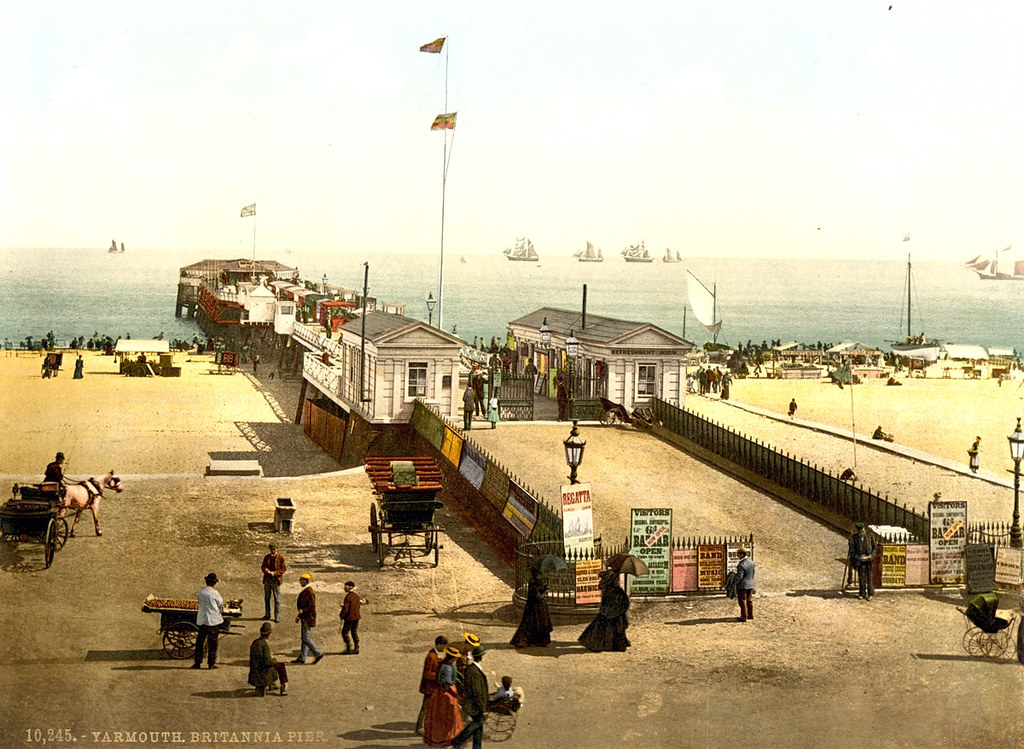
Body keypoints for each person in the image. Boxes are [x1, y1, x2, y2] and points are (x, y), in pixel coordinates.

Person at [578, 570, 631, 652]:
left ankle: (606, 645)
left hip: (613, 614)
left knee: (609, 629)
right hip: (609, 613)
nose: (601, 581)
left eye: (603, 579)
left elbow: (625, 603)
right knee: (604, 628)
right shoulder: (609, 589)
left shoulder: (616, 591)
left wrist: (617, 612)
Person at [422, 646, 464, 747]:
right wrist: (455, 694)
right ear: (452, 658)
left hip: (441, 693)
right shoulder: (447, 668)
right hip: (446, 694)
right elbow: (447, 683)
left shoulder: (446, 665)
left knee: (441, 717)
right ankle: (446, 738)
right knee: (449, 717)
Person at [451, 645, 488, 749]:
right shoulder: (474, 671)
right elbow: (477, 692)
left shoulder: (472, 669)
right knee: (478, 722)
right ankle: (457, 741)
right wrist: (483, 708)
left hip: (473, 703)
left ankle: (477, 747)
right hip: (475, 705)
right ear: (481, 657)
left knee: (479, 727)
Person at [510, 567, 552, 648]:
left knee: (534, 623)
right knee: (536, 623)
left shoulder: (534, 581)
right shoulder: (535, 583)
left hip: (534, 606)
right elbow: (539, 596)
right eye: (541, 573)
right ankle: (531, 641)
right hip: (536, 606)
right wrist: (545, 591)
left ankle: (538, 640)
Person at [415, 635, 448, 736]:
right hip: (429, 687)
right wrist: (439, 675)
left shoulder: (436, 655)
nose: (444, 648)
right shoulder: (431, 656)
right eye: (443, 646)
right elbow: (427, 674)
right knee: (425, 707)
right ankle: (419, 727)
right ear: (439, 645)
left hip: (433, 687)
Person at [192, 572, 224, 669]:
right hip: (213, 621)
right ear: (214, 583)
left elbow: (199, 601)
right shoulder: (215, 593)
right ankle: (211, 663)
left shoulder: (201, 592)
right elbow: (220, 604)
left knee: (200, 643)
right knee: (212, 644)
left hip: (202, 620)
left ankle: (197, 663)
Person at [248, 621, 288, 696]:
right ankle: (284, 686)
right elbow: (267, 662)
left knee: (274, 665)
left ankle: (272, 684)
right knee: (280, 666)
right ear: (269, 634)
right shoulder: (264, 645)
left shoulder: (255, 642)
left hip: (255, 672)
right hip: (263, 672)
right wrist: (274, 660)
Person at [293, 573, 323, 664]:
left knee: (305, 638)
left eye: (301, 580)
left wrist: (301, 612)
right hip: (305, 617)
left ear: (306, 581)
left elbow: (312, 606)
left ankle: (318, 653)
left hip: (307, 617)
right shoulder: (307, 590)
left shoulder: (309, 592)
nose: (300, 581)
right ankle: (302, 657)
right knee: (304, 637)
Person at [848, 522, 876, 600]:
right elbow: (852, 551)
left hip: (869, 560)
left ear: (865, 530)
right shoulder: (854, 538)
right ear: (857, 531)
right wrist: (858, 557)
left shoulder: (870, 536)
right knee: (861, 577)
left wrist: (871, 556)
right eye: (860, 532)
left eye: (863, 531)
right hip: (860, 561)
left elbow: (874, 548)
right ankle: (862, 593)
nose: (862, 533)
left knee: (869, 577)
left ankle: (870, 594)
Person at [261, 542, 287, 622]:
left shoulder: (281, 558)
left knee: (277, 599)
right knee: (267, 598)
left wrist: (275, 573)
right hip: (267, 580)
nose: (272, 551)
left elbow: (283, 569)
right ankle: (267, 614)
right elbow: (263, 566)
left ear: (277, 549)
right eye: (271, 549)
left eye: (274, 549)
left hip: (276, 581)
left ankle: (277, 616)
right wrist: (266, 570)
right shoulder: (267, 557)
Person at [339, 580, 361, 655]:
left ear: (350, 587)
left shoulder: (348, 597)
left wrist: (341, 615)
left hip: (350, 617)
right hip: (357, 617)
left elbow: (346, 608)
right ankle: (356, 647)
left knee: (344, 632)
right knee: (354, 632)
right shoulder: (356, 596)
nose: (344, 588)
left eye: (345, 586)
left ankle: (349, 648)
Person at [735, 548, 756, 622]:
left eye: (738, 554)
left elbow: (739, 577)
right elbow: (753, 573)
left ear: (742, 555)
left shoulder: (741, 565)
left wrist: (735, 582)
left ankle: (743, 616)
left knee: (742, 601)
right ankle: (750, 615)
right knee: (749, 600)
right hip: (750, 584)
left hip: (742, 585)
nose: (737, 556)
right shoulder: (751, 562)